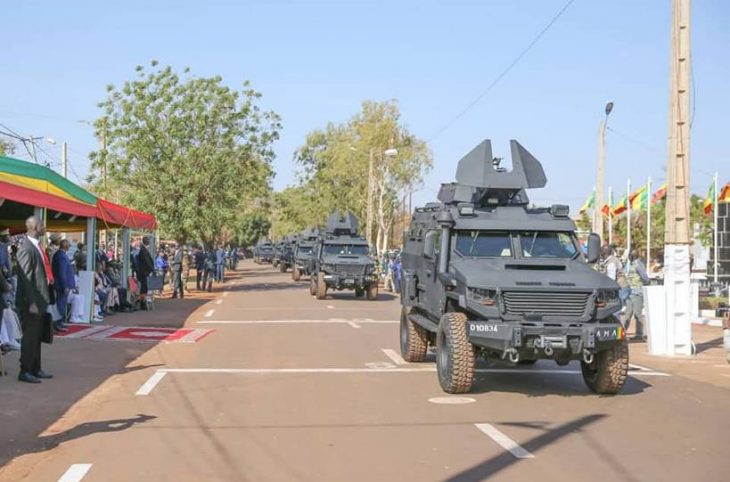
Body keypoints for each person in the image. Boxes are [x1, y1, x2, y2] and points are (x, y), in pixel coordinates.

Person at [16, 216, 53, 383]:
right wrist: (31, 302)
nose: (44, 227)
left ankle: (36, 368)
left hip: (40, 299)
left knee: (38, 336)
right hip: (31, 302)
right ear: (36, 227)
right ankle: (25, 371)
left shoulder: (37, 246)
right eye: (42, 225)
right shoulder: (26, 248)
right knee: (30, 336)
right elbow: (26, 279)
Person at [624, 249, 650, 341]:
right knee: (627, 314)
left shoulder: (638, 264)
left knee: (637, 314)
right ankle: (622, 333)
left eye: (630, 255)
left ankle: (639, 335)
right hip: (630, 292)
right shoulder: (631, 264)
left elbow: (645, 278)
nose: (629, 257)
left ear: (633, 256)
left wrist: (644, 285)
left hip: (637, 292)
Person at [52, 239, 75, 331]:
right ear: (66, 246)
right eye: (69, 245)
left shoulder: (61, 255)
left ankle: (60, 322)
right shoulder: (61, 256)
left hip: (61, 284)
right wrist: (65, 285)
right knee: (60, 304)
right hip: (61, 285)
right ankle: (57, 323)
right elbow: (62, 272)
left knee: (62, 303)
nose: (69, 247)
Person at [136, 237, 155, 310]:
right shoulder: (143, 250)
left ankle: (143, 302)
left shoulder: (144, 250)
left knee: (144, 288)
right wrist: (152, 270)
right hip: (144, 272)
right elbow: (147, 262)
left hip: (145, 272)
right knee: (144, 288)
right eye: (148, 240)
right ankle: (142, 303)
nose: (149, 242)